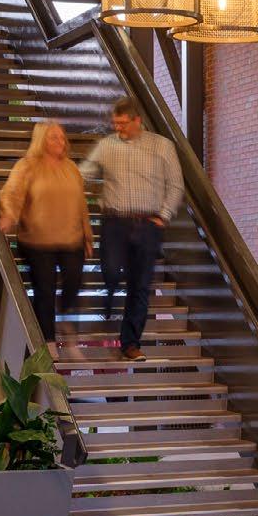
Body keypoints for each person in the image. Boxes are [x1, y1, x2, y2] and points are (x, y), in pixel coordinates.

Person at [79, 98, 181, 361]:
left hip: (147, 225)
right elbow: (84, 172)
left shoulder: (162, 146)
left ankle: (130, 343)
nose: (118, 128)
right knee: (111, 270)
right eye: (115, 123)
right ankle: (110, 293)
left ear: (137, 121)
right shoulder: (107, 145)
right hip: (115, 222)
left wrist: (164, 216)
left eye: (123, 124)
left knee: (140, 286)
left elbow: (175, 185)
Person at [0, 121, 94, 357]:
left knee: (73, 281)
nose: (60, 141)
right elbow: (12, 193)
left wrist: (88, 235)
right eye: (54, 137)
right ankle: (48, 342)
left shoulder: (71, 168)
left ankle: (67, 322)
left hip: (71, 239)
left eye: (62, 137)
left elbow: (81, 204)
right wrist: (9, 215)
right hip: (37, 241)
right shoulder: (27, 166)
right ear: (41, 140)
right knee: (45, 291)